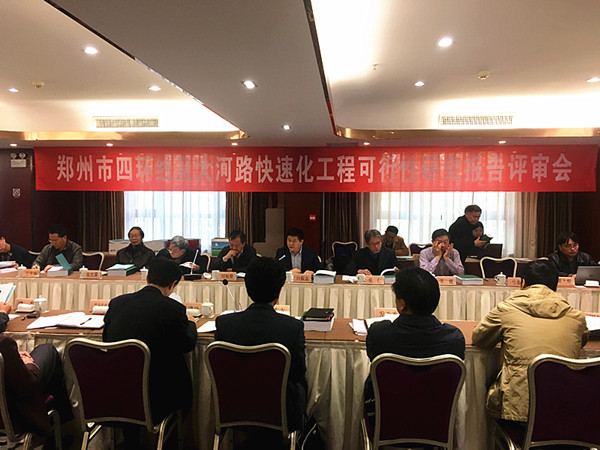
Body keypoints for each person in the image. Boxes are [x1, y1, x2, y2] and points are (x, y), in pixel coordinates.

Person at [472, 260, 589, 422]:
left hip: (517, 411)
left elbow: (479, 339)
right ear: (555, 287)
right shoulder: (576, 317)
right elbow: (582, 341)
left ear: (523, 284)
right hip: (564, 409)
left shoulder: (505, 309)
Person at [364, 267, 465, 427]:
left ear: (402, 304)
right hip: (436, 425)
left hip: (387, 423)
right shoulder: (453, 339)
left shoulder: (380, 334)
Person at [215, 257, 307, 432]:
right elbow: (298, 371)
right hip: (280, 410)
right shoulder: (292, 328)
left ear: (247, 288)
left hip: (233, 406)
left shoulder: (224, 324)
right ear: (279, 291)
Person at [103, 258, 197, 423]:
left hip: (118, 389)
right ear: (172, 284)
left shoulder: (117, 303)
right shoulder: (173, 309)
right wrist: (191, 323)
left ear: (147, 278)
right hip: (160, 394)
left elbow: (106, 339)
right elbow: (186, 344)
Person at [0, 303, 72, 437]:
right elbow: (24, 385)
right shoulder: (4, 344)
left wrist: (12, 357)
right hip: (15, 400)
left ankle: (57, 427)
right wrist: (26, 363)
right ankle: (60, 429)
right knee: (48, 350)